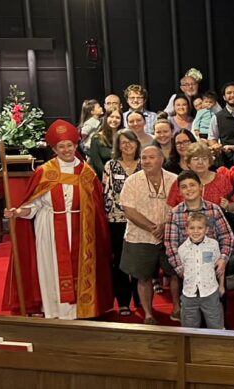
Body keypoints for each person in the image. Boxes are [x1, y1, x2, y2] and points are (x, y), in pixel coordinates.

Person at [2, 120, 114, 320]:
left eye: (69, 145)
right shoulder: (45, 172)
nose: (66, 150)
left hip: (82, 230)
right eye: (61, 147)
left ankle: (83, 309)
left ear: (75, 145)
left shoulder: (87, 173)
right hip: (50, 230)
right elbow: (34, 206)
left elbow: (97, 208)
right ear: (54, 149)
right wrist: (18, 212)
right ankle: (54, 309)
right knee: (51, 269)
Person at [118, 145, 178, 324]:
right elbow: (128, 210)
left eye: (151, 157)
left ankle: (177, 308)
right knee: (143, 277)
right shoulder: (132, 181)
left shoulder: (174, 180)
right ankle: (149, 314)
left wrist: (164, 226)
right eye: (144, 158)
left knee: (174, 273)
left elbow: (181, 207)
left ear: (161, 159)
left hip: (170, 235)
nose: (146, 161)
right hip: (139, 237)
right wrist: (153, 227)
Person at [102, 130, 142, 317]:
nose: (127, 145)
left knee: (139, 260)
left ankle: (140, 296)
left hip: (141, 220)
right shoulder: (111, 165)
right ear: (118, 146)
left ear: (137, 144)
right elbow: (107, 193)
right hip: (117, 220)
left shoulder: (144, 164)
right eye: (123, 143)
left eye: (131, 142)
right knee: (120, 261)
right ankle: (123, 301)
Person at [173, 212, 226, 329]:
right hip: (189, 295)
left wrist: (221, 286)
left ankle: (217, 346)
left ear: (206, 229)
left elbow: (220, 267)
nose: (196, 231)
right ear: (186, 229)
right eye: (192, 228)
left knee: (216, 325)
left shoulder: (213, 245)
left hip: (210, 292)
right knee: (189, 328)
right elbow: (182, 271)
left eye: (200, 228)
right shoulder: (182, 249)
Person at [166, 142, 234, 213]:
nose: (200, 162)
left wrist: (228, 206)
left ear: (209, 162)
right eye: (195, 159)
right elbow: (170, 208)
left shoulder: (221, 180)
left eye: (204, 158)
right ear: (188, 162)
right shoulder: (181, 181)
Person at [208, 83, 234, 154]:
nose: (232, 95)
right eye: (229, 93)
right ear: (224, 97)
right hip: (228, 161)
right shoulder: (217, 117)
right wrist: (216, 146)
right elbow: (212, 139)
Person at [88, 108, 122, 178]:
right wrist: (109, 175)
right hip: (104, 178)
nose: (114, 120)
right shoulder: (96, 138)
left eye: (117, 117)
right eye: (111, 117)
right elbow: (96, 162)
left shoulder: (124, 137)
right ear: (106, 118)